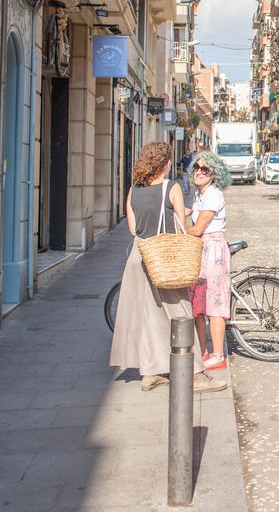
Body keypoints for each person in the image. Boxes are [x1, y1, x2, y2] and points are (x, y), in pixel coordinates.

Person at [109, 142, 226, 393]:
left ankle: (150, 373)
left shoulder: (134, 189)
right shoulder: (171, 187)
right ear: (165, 164)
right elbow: (182, 228)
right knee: (181, 313)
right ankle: (195, 374)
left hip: (139, 256)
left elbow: (133, 228)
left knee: (148, 316)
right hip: (164, 257)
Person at [187, 151, 233, 372]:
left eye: (204, 169)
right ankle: (202, 351)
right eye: (196, 168)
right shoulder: (200, 195)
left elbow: (198, 229)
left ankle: (217, 355)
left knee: (214, 303)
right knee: (198, 303)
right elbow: (188, 214)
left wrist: (179, 231)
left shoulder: (213, 194)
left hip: (213, 250)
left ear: (213, 174)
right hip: (201, 251)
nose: (199, 172)